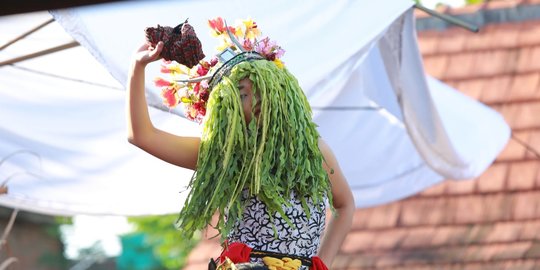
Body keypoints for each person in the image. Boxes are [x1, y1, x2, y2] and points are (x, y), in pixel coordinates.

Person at [126, 18, 354, 270]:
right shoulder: (222, 154)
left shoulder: (313, 149)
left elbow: (345, 205)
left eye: (260, 88)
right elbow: (141, 136)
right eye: (243, 93)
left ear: (278, 90)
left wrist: (323, 263)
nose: (254, 98)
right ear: (228, 107)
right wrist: (137, 69)